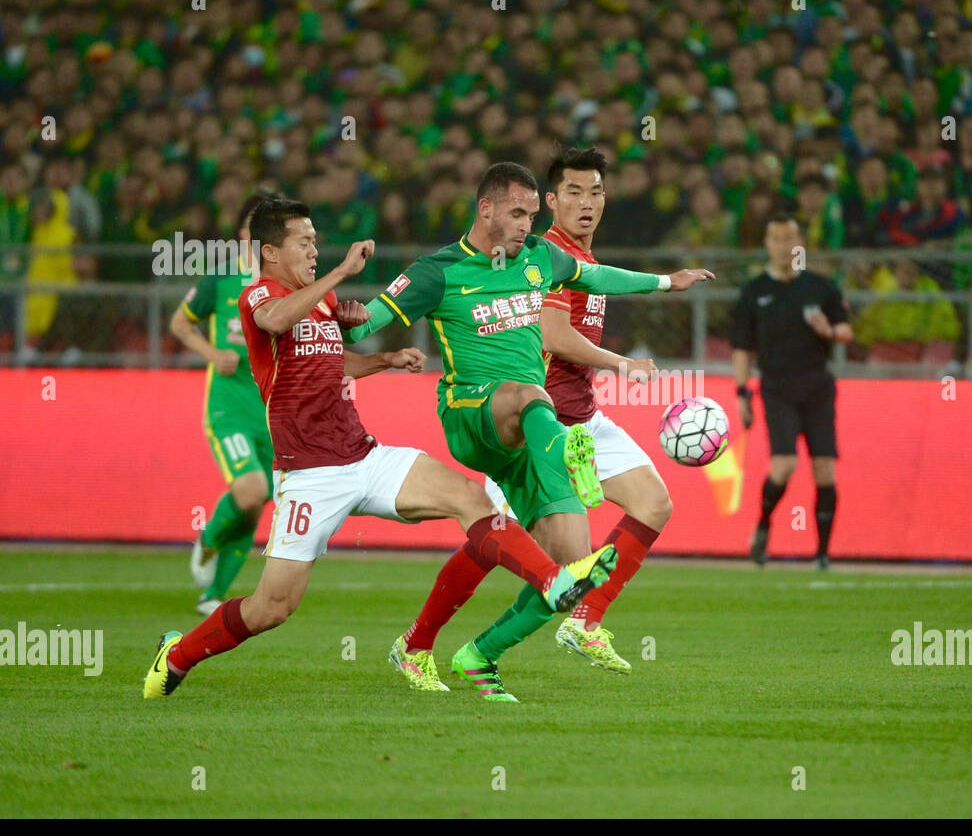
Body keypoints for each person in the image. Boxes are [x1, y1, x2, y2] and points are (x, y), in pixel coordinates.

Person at [143, 198, 619, 699]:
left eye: (315, 241)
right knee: (272, 608)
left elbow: (329, 359)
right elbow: (277, 322)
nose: (314, 250)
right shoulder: (261, 294)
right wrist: (342, 273)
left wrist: (385, 359)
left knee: (470, 498)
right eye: (304, 242)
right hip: (309, 476)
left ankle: (553, 580)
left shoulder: (316, 300)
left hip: (363, 456)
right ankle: (177, 654)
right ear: (270, 252)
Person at [343, 163, 712, 700]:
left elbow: (596, 275)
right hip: (474, 413)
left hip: (532, 433)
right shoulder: (438, 270)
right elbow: (370, 318)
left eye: (530, 216)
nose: (525, 225)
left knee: (570, 561)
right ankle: (569, 451)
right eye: (517, 214)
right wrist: (345, 311)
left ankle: (472, 655)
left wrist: (665, 282)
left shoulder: (541, 257)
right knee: (528, 395)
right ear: (485, 209)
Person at [475, 146, 672, 674]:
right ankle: (431, 641)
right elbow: (555, 336)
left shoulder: (584, 258)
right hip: (541, 425)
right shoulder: (551, 257)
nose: (587, 202)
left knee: (652, 503)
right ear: (551, 200)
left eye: (596, 191)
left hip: (582, 419)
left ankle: (584, 622)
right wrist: (623, 363)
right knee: (501, 550)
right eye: (574, 192)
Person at [170, 189, 276, 615]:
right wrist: (214, 355)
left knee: (257, 503)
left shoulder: (283, 285)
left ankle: (213, 594)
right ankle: (209, 539)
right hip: (228, 407)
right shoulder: (219, 278)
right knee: (250, 490)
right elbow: (180, 323)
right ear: (243, 233)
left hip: (269, 411)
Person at [731, 212, 852, 570]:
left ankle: (823, 554)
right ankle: (763, 527)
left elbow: (847, 332)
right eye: (777, 239)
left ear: (801, 244)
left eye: (791, 238)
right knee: (783, 466)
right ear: (767, 244)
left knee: (825, 470)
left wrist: (828, 330)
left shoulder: (821, 287)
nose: (785, 246)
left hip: (817, 385)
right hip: (777, 387)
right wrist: (742, 393)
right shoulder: (754, 293)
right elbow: (742, 348)